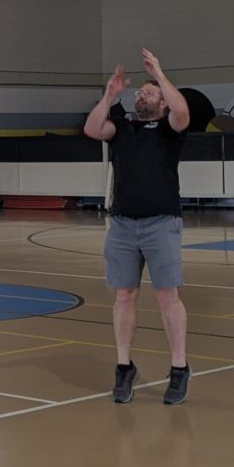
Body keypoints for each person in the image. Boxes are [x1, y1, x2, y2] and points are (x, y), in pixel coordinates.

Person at [84, 48, 191, 404]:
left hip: (161, 224)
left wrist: (159, 75)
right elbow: (92, 128)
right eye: (139, 92)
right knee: (124, 296)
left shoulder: (168, 129)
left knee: (167, 297)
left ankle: (178, 368)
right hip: (122, 226)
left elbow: (182, 112)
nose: (140, 95)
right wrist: (109, 95)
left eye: (148, 93)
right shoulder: (122, 129)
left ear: (160, 102)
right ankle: (123, 366)